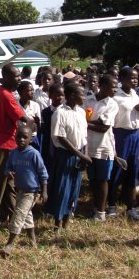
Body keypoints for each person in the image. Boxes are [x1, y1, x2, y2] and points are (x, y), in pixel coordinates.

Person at [0, 64, 30, 221]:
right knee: (0, 181)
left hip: (1, 142)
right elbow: (22, 118)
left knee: (9, 181)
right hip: (3, 144)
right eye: (16, 76)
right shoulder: (6, 95)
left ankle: (10, 212)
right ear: (6, 77)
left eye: (19, 76)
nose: (19, 79)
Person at [45, 83, 90, 231]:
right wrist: (79, 154)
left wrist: (85, 154)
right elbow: (60, 137)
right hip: (65, 155)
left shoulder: (81, 112)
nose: (84, 97)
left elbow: (84, 137)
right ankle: (57, 224)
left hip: (79, 154)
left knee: (74, 188)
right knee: (62, 188)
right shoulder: (60, 112)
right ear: (71, 96)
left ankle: (66, 221)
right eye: (81, 94)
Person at [1, 123, 48, 257]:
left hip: (32, 191)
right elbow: (7, 168)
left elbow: (43, 172)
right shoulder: (14, 153)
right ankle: (33, 242)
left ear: (30, 139)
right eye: (18, 137)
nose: (21, 140)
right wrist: (8, 173)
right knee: (27, 216)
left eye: (25, 137)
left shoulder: (34, 154)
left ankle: (9, 244)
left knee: (19, 214)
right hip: (20, 190)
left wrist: (44, 191)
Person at [108, 68, 139, 220]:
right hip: (120, 134)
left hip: (135, 134)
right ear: (122, 79)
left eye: (136, 78)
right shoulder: (116, 97)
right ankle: (111, 205)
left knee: (133, 170)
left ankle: (131, 207)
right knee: (117, 170)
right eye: (131, 78)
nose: (135, 81)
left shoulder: (135, 95)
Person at [84, 74, 119, 221]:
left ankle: (101, 212)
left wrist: (85, 123)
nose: (116, 89)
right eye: (113, 86)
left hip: (104, 146)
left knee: (103, 179)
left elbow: (104, 127)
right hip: (88, 145)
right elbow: (94, 121)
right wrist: (95, 122)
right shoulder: (88, 100)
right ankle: (95, 206)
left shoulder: (112, 104)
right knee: (92, 178)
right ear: (103, 86)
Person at [17, 81, 42, 152]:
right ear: (20, 93)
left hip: (33, 138)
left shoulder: (35, 105)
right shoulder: (15, 105)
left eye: (32, 90)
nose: (32, 92)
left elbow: (38, 126)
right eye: (29, 90)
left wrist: (37, 123)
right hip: (19, 139)